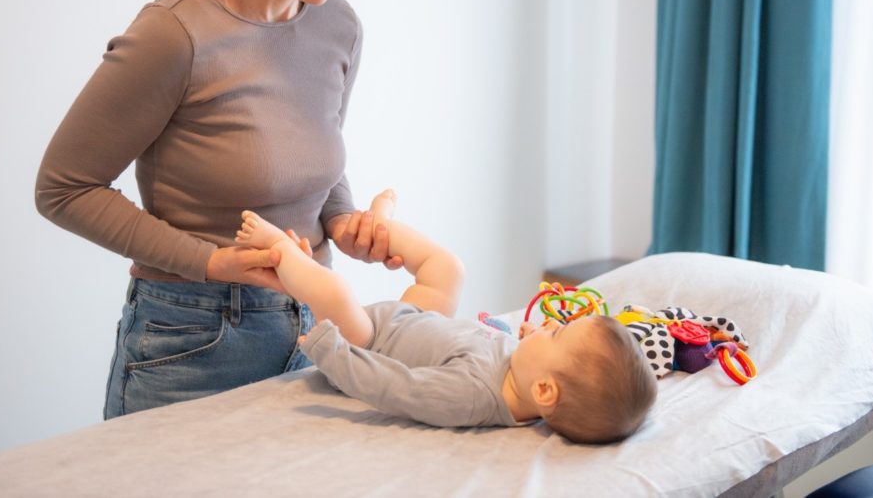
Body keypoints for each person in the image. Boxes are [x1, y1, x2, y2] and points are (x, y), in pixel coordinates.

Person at [35, 0, 398, 419]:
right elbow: (63, 189)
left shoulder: (339, 26)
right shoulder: (174, 33)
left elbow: (314, 151)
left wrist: (342, 222)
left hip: (316, 330)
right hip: (192, 342)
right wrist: (209, 262)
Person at [235, 190, 659, 444]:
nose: (549, 326)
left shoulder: (470, 396)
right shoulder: (528, 375)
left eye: (556, 335)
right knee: (448, 268)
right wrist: (530, 337)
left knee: (336, 293)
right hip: (420, 321)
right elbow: (487, 344)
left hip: (373, 342)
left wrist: (334, 353)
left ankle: (280, 251)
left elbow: (398, 388)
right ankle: (380, 226)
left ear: (545, 390)